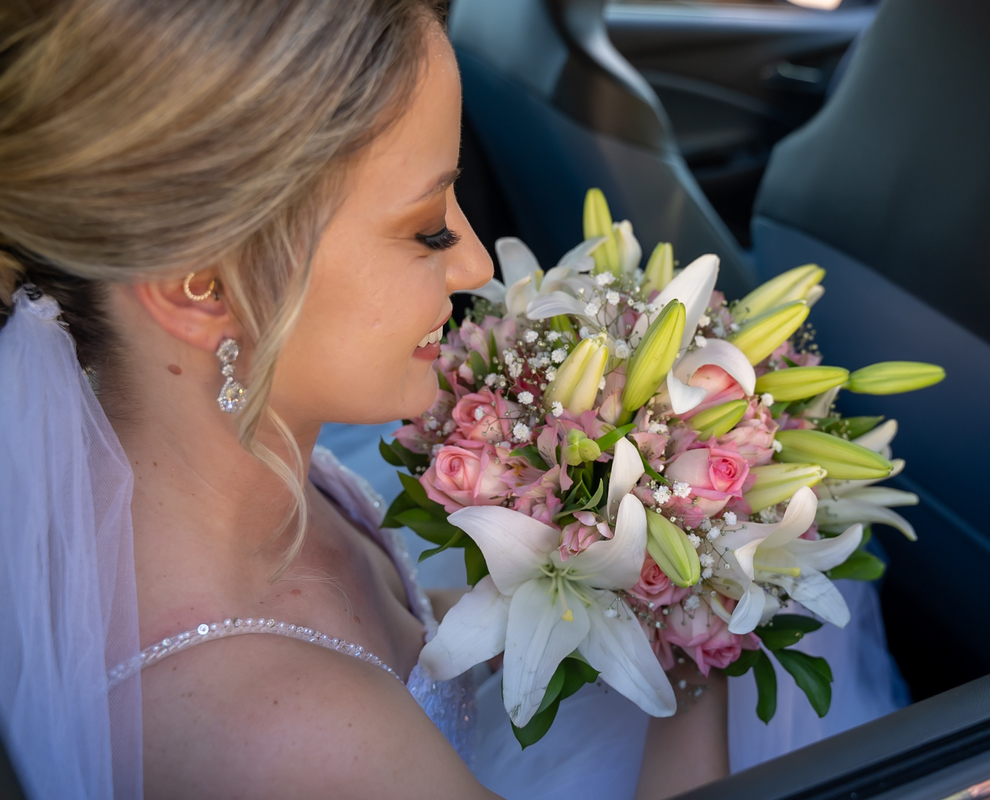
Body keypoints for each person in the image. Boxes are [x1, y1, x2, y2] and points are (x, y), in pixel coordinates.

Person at [0, 2, 729, 799]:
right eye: (427, 229)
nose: (475, 265)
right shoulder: (289, 737)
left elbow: (403, 637)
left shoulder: (248, 473)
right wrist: (698, 646)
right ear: (201, 287)